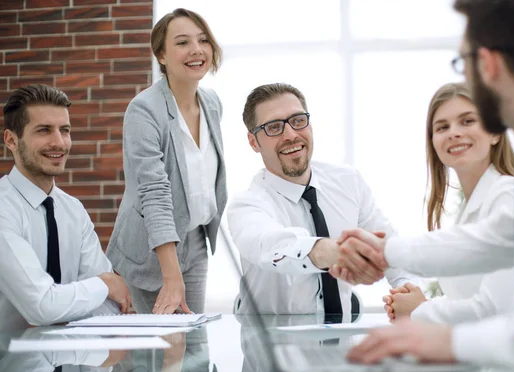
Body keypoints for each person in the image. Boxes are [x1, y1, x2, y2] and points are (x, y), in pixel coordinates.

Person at [346, 0, 514, 372]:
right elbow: (499, 236)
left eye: (462, 63)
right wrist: (386, 252)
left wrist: (452, 340)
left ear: (488, 64)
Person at [228, 82, 418, 316]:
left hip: (345, 347)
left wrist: (408, 291)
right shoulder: (246, 205)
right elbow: (274, 246)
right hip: (279, 350)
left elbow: (390, 246)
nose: (291, 135)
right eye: (274, 127)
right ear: (253, 142)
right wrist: (336, 253)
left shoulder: (348, 181)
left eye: (298, 121)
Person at [106, 8, 227, 315]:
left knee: (192, 344)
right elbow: (153, 192)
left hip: (195, 242)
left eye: (203, 40)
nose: (197, 50)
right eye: (183, 42)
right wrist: (171, 276)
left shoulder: (212, 103)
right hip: (150, 249)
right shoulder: (144, 110)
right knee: (156, 354)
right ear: (161, 55)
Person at [381, 82, 514, 324]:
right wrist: (417, 303)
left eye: (467, 121)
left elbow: (495, 309)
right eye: (442, 127)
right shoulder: (470, 209)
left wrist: (419, 311)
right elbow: (466, 297)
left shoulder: (508, 197)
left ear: (496, 132)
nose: (454, 132)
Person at [0, 84, 130, 331]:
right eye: (44, 130)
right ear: (11, 140)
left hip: (72, 362)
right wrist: (103, 284)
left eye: (65, 130)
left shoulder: (73, 210)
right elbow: (41, 307)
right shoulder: (4, 209)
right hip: (9, 365)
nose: (59, 142)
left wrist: (101, 290)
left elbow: (109, 306)